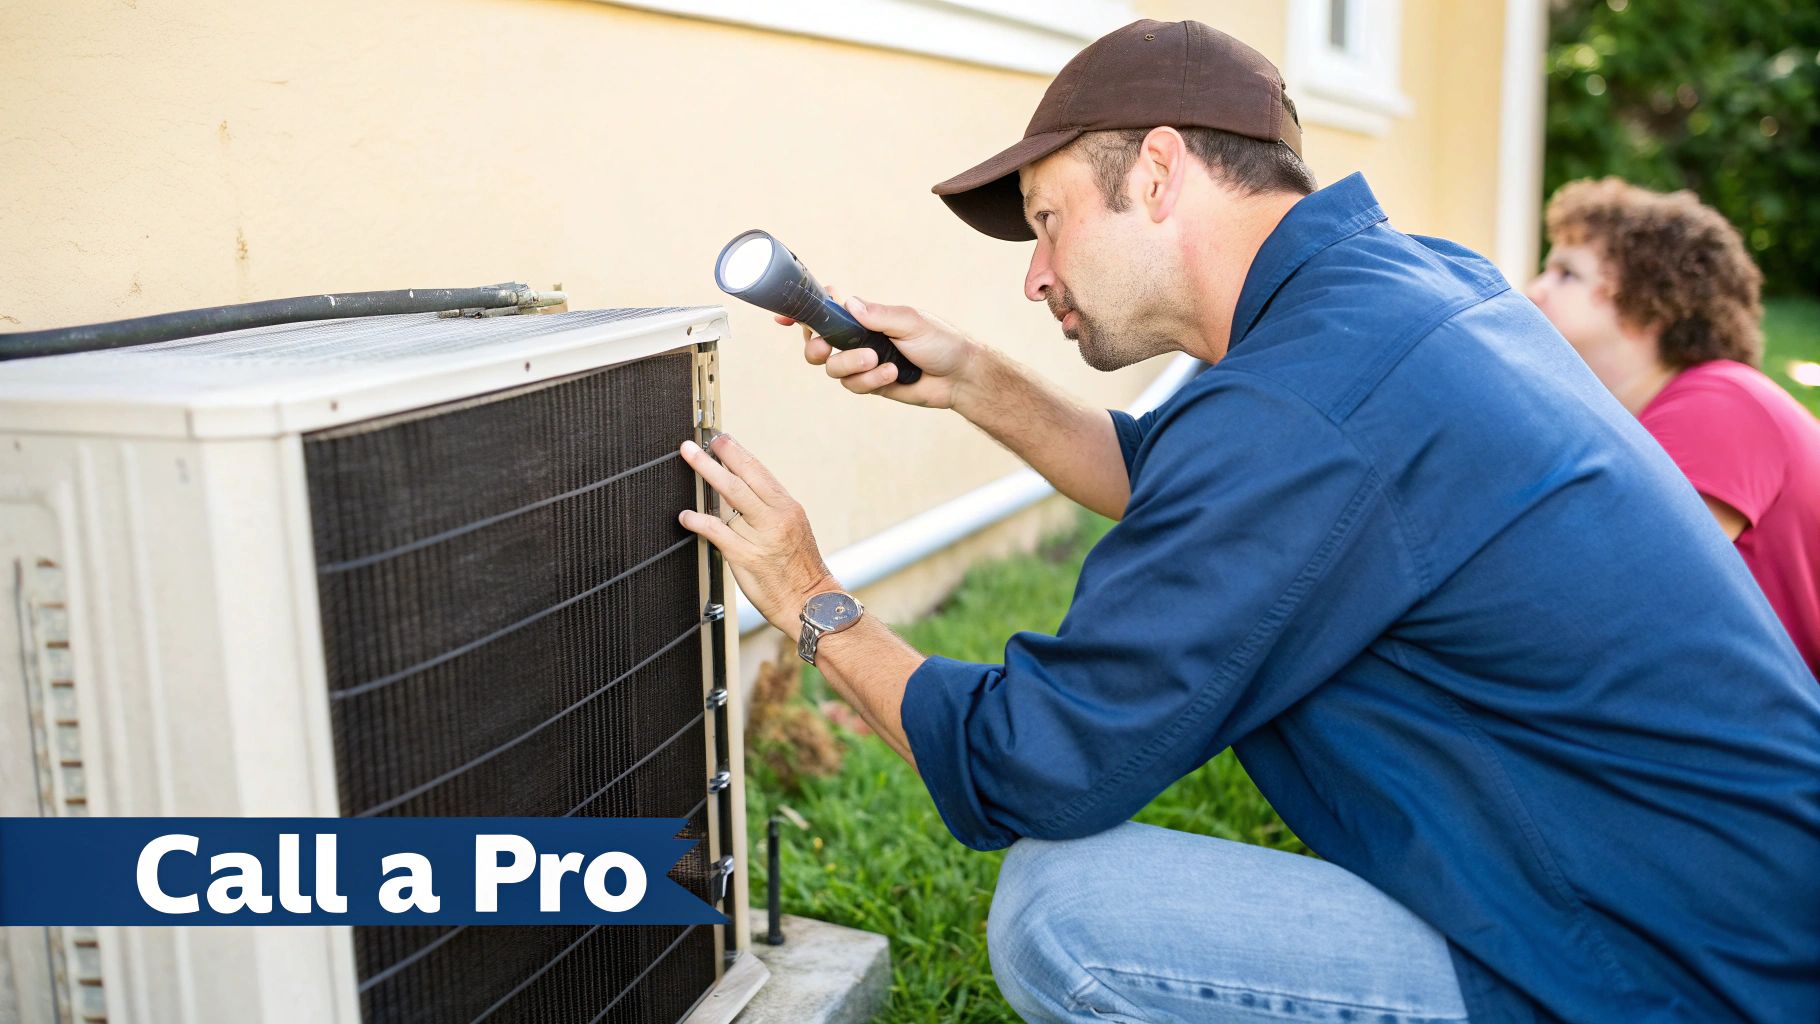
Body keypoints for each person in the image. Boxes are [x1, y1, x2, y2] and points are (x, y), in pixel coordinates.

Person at [676, 20, 1820, 1024]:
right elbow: (1206, 487)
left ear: (1160, 173)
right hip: (1738, 905)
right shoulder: (1403, 293)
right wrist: (975, 377)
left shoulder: (1302, 406)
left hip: (1666, 971)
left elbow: (1032, 760)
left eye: (1048, 220)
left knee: (1066, 913)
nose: (1036, 276)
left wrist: (809, 600)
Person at [1527, 177, 1820, 675]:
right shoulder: (1664, 415)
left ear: (1649, 303)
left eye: (1565, 274)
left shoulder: (1720, 404)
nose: (1534, 291)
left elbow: (1607, 601)